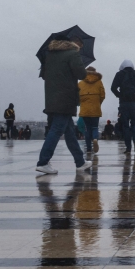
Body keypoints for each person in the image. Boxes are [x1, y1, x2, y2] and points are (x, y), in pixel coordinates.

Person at [35, 37, 92, 175]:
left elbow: (43, 75)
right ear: (72, 43)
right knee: (57, 130)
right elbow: (82, 74)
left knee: (69, 131)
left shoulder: (49, 55)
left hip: (52, 97)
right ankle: (43, 162)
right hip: (66, 97)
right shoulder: (72, 54)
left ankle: (80, 162)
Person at [111, 60, 135, 154]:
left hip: (124, 103)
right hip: (134, 102)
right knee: (134, 124)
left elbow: (113, 88)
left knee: (125, 126)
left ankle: (128, 148)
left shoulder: (119, 74)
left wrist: (119, 95)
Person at [78, 66, 105, 154]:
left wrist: (83, 103)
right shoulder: (99, 82)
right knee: (94, 127)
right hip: (95, 108)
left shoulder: (81, 83)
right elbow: (102, 95)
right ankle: (95, 139)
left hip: (85, 110)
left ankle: (89, 149)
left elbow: (77, 97)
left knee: (87, 129)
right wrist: (98, 103)